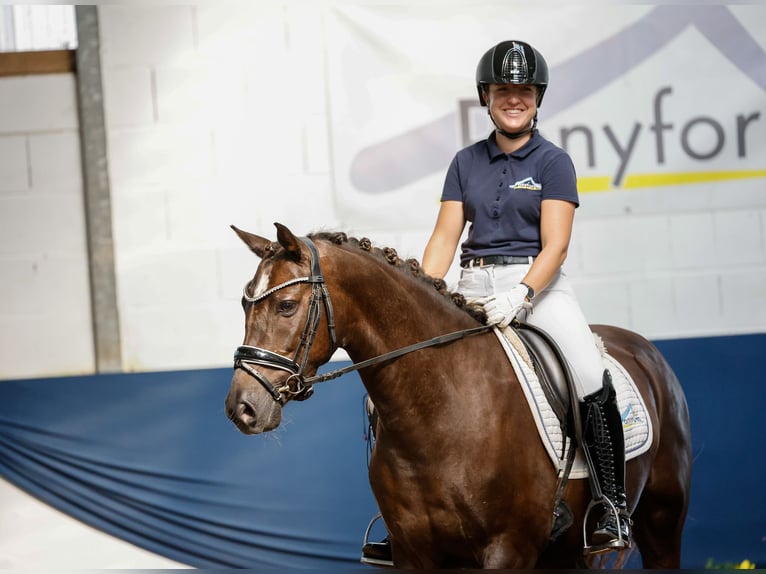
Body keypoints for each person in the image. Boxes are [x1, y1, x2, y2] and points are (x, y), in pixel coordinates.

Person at [360, 40, 631, 565]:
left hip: (538, 284)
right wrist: (423, 296)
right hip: (470, 282)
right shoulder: (465, 162)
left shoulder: (554, 162)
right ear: (487, 97)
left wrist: (524, 294)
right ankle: (406, 517)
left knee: (588, 372)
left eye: (523, 92)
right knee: (396, 378)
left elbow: (556, 245)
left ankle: (609, 505)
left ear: (537, 98)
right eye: (503, 91)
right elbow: (443, 240)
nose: (514, 100)